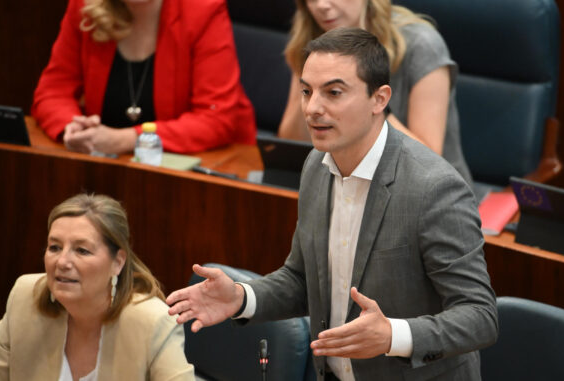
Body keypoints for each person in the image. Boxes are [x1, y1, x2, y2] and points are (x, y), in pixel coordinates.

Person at [168, 28, 497, 380]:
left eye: (333, 93)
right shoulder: (315, 166)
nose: (312, 108)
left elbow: (480, 315)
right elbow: (302, 279)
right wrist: (241, 297)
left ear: (379, 98)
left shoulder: (434, 188)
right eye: (307, 91)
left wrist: (394, 336)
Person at [276, 0, 473, 185]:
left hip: (428, 190)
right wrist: (312, 91)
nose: (321, 5)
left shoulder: (423, 44)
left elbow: (428, 158)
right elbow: (292, 141)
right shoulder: (313, 42)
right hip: (346, 182)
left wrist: (368, 106)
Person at [0, 194, 194, 380]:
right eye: (55, 247)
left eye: (82, 250)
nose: (62, 262)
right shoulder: (24, 297)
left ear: (117, 262)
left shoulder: (153, 322)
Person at [31, 0, 256, 155]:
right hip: (108, 168)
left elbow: (216, 119)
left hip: (206, 172)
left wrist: (126, 140)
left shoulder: (202, 9)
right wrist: (74, 128)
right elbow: (52, 92)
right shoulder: (87, 7)